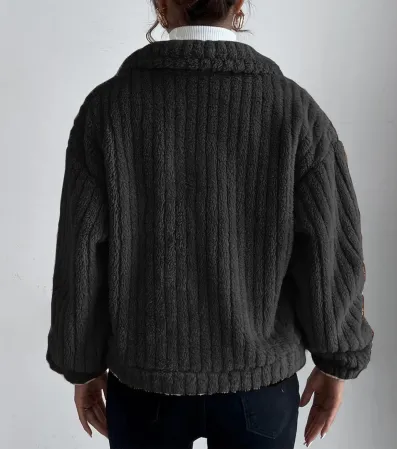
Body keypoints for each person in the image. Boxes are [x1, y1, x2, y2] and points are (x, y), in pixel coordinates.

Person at [46, 1, 374, 448]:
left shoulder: (106, 110)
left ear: (161, 4)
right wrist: (337, 359)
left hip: (144, 385)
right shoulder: (295, 111)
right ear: (239, 5)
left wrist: (81, 365)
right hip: (260, 386)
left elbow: (80, 251)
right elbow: (329, 251)